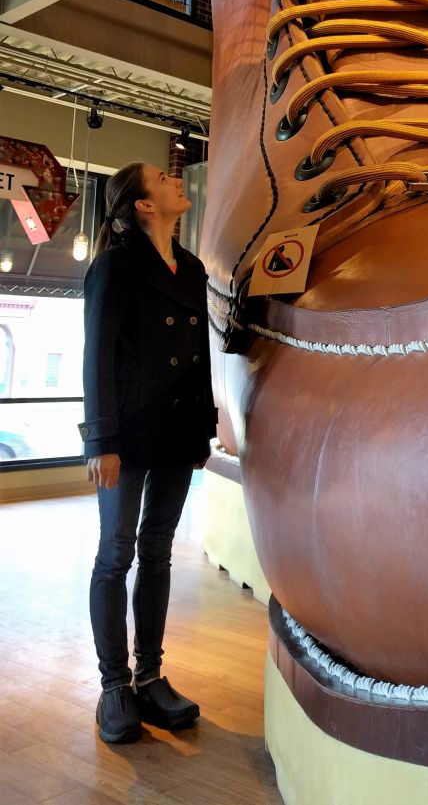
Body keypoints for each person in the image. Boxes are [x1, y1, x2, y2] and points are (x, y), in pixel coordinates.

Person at [79, 161, 217, 744]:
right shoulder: (114, 266)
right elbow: (97, 358)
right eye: (163, 177)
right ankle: (115, 686)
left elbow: (201, 354)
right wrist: (101, 441)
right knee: (116, 553)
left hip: (175, 431)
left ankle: (150, 677)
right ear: (141, 203)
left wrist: (202, 427)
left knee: (157, 553)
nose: (175, 181)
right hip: (127, 435)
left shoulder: (192, 268)